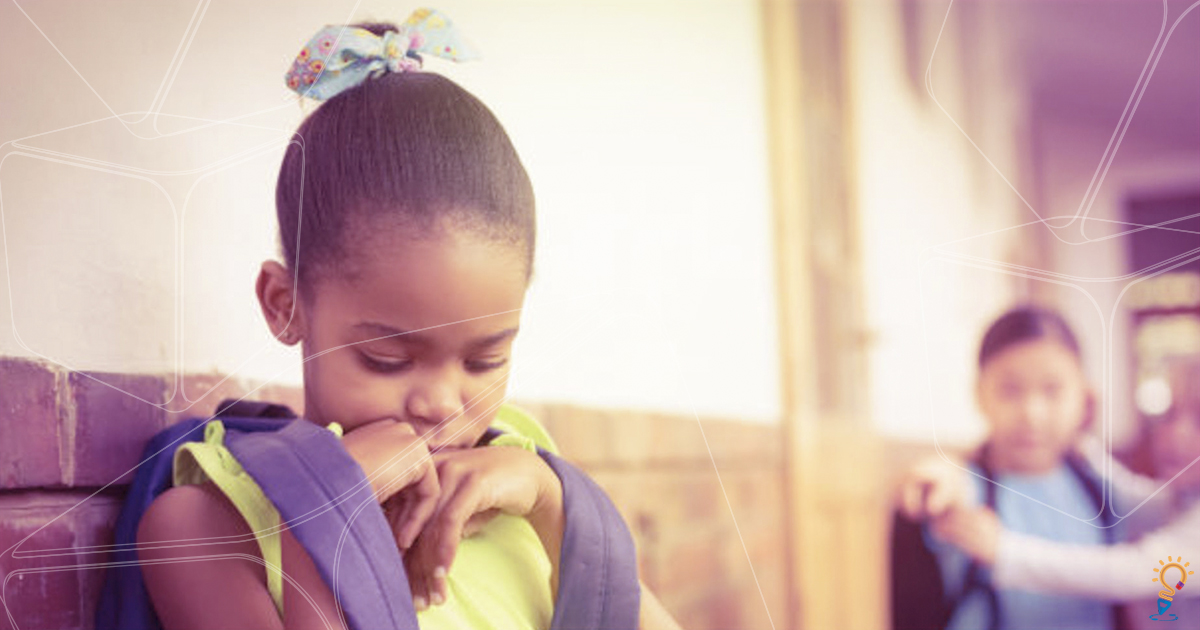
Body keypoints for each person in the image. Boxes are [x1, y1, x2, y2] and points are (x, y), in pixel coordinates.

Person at [129, 10, 681, 630]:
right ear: (286, 305)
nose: (444, 404)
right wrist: (331, 513)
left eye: (485, 360)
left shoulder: (517, 483)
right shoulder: (207, 525)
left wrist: (556, 506)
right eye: (387, 359)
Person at [890, 306, 1129, 630]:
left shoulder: (1102, 488)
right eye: (1010, 390)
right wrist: (938, 480)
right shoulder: (962, 491)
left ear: (1084, 397)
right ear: (979, 395)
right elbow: (945, 484)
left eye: (1052, 390)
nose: (1031, 413)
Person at [900, 354, 1200, 611]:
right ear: (978, 394)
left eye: (1199, 417)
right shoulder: (1172, 500)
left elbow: (1130, 572)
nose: (1177, 434)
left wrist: (1004, 551)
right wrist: (947, 467)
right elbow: (1122, 488)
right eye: (1169, 413)